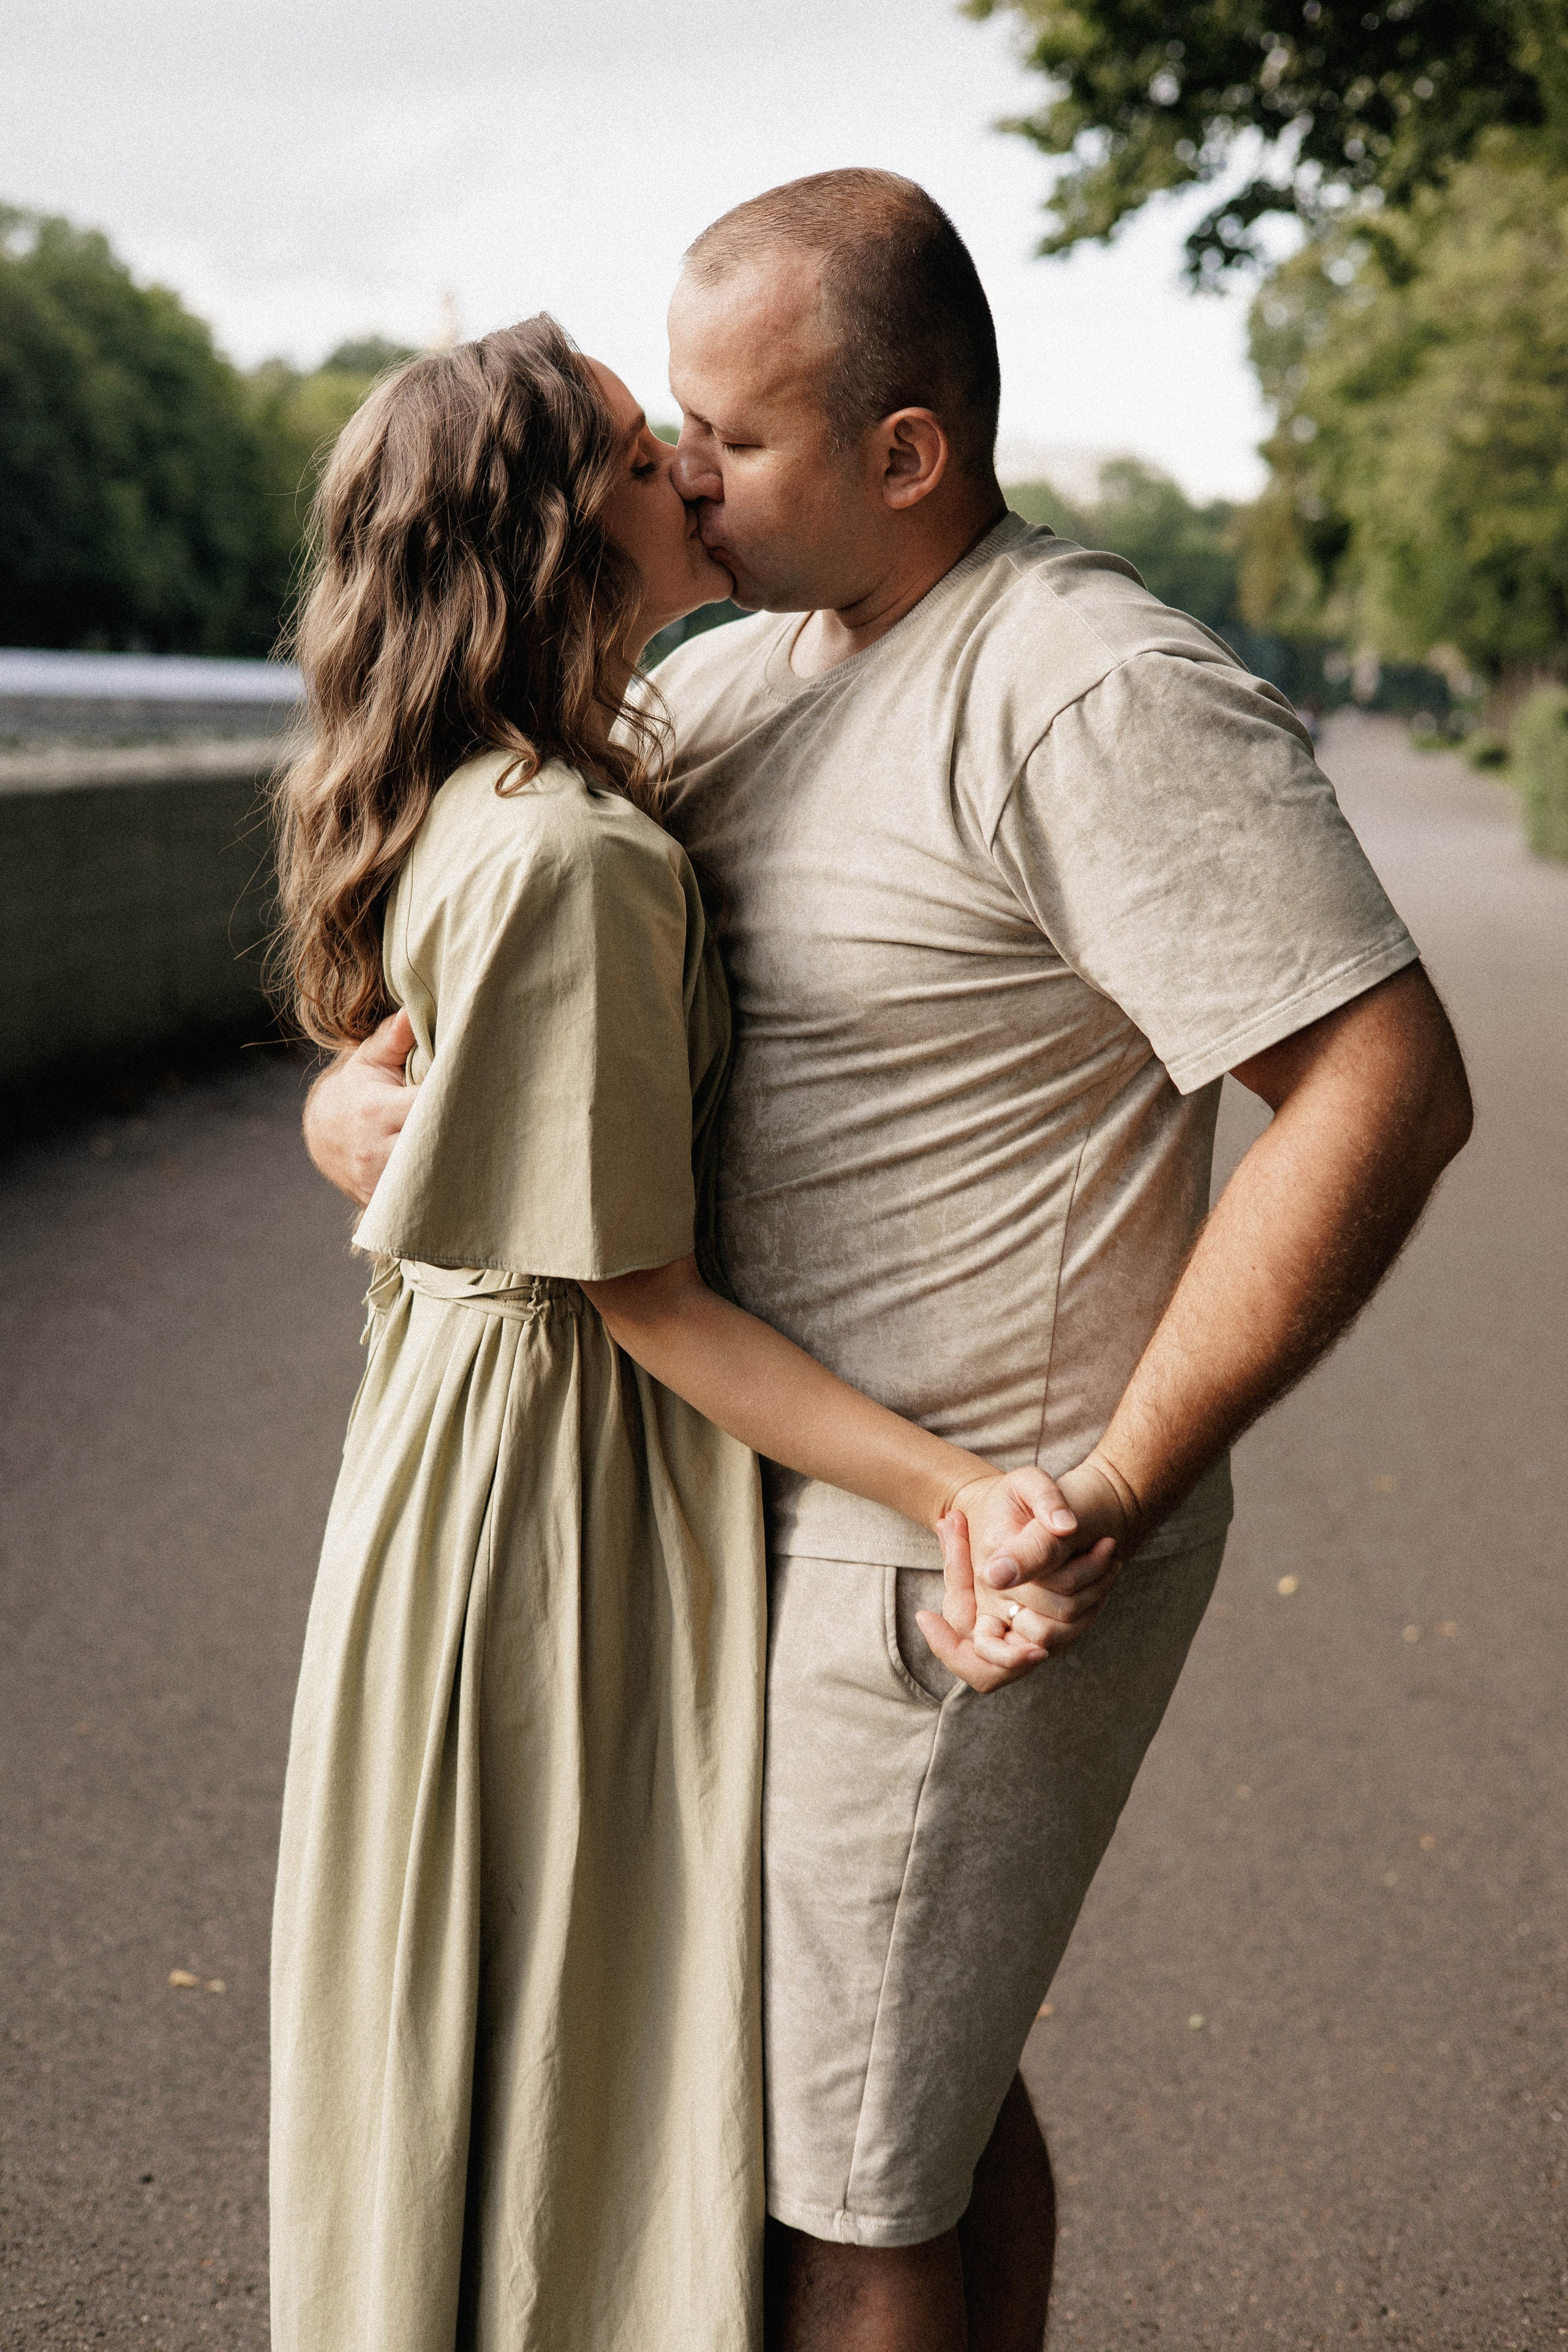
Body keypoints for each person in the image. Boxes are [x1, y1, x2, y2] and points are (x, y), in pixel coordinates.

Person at [306, 175, 1472, 2352]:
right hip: (729, 1513)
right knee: (894, 2089)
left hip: (960, 1548)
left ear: (905, 452)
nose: (676, 475)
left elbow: (1386, 1088)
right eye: (667, 429)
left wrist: (1102, 1490)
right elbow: (461, 1001)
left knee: (832, 2175)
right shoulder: (738, 675)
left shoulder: (1090, 691)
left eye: (725, 443)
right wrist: (347, 1111)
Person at [266, 312, 1114, 2352]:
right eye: (658, 455)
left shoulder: (516, 792)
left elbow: (418, 1102)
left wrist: (341, 1121)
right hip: (563, 1482)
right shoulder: (576, 849)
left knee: (556, 2010)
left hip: (473, 1453)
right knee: (615, 2016)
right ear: (568, 527)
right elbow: (637, 1298)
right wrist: (963, 1492)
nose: (702, 480)